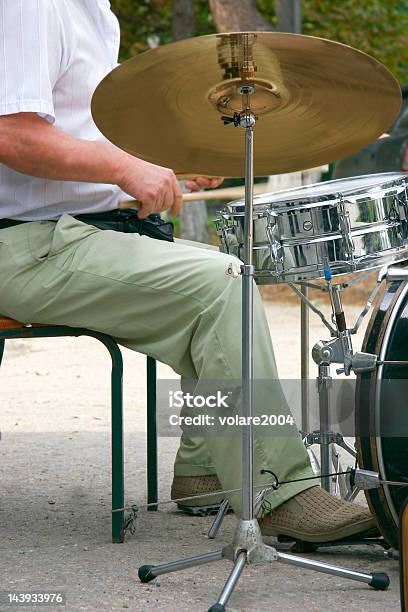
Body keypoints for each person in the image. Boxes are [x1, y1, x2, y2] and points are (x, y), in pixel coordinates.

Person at [0, 0, 375, 543]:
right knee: (221, 287)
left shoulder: (93, 10)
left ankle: (203, 469)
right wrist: (125, 168)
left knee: (225, 277)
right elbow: (13, 134)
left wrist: (153, 169)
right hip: (26, 243)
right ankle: (280, 492)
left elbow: (68, 134)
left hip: (71, 232)